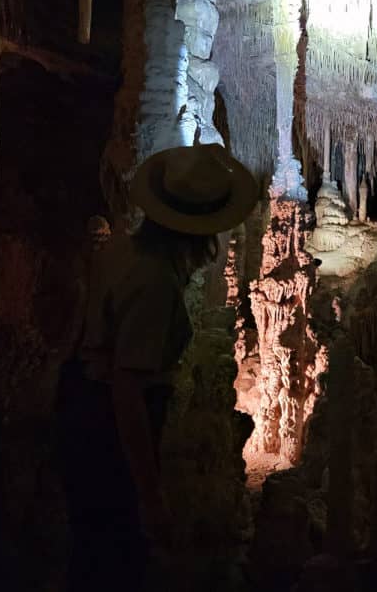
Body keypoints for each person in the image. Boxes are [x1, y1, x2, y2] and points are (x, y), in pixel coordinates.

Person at [55, 144, 258, 592]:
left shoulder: (122, 249)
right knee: (116, 556)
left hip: (77, 403)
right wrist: (149, 494)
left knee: (88, 551)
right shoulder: (156, 283)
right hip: (107, 425)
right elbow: (126, 390)